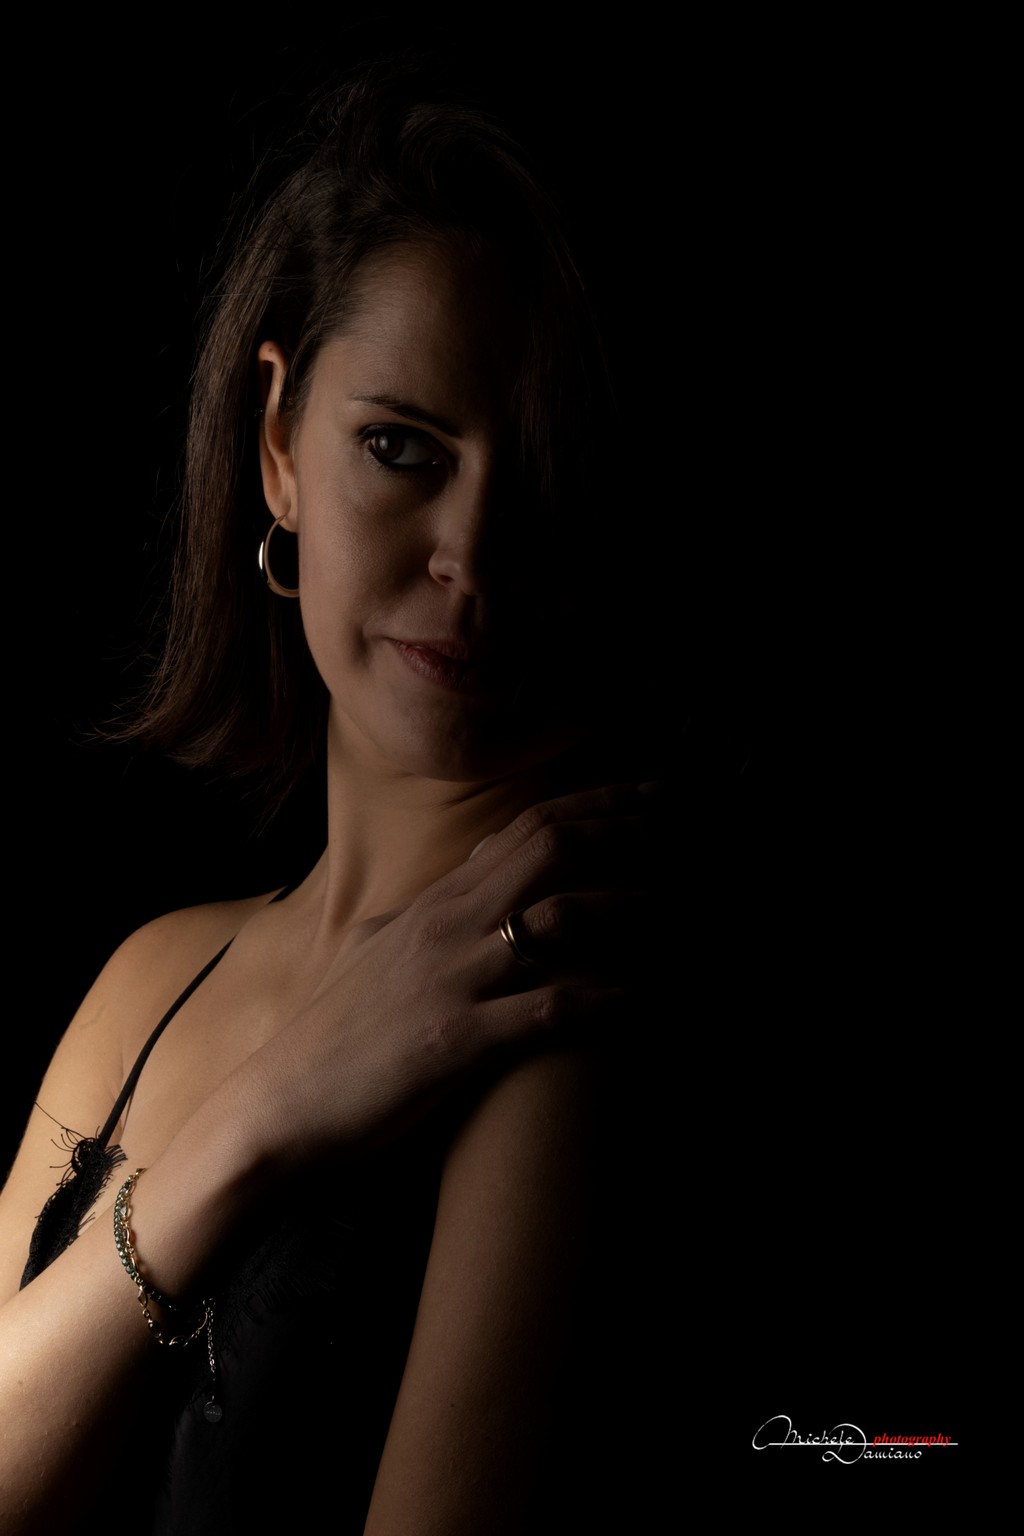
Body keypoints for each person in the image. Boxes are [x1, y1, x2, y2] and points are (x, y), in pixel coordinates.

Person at [0, 61, 672, 1532]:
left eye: (543, 476)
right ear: (277, 445)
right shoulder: (152, 976)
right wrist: (264, 1116)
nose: (472, 556)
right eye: (401, 449)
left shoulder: (555, 1018)